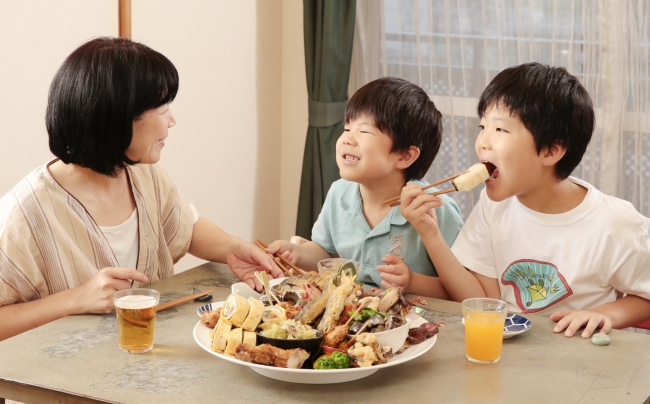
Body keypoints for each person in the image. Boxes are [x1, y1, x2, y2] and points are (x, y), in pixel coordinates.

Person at [0, 37, 282, 341]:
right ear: (116, 117)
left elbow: (185, 227)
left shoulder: (144, 175)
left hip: (149, 364)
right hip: (65, 380)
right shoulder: (23, 216)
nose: (172, 120)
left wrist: (230, 248)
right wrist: (74, 300)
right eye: (161, 108)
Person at [399, 62, 650, 338]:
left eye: (501, 130)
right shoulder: (493, 205)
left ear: (551, 151)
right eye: (483, 126)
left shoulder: (615, 223)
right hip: (509, 356)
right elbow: (481, 301)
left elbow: (645, 297)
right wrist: (430, 233)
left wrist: (604, 315)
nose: (483, 141)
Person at [267, 77, 464, 298]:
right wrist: (295, 253)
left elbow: (459, 290)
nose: (347, 139)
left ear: (405, 156)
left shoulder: (434, 208)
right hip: (351, 317)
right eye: (347, 127)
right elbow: (326, 254)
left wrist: (412, 282)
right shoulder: (339, 193)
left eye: (364, 131)